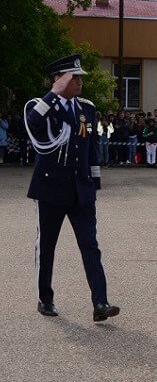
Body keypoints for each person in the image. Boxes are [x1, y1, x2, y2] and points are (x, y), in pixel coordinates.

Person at [24, 54, 119, 322]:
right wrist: (53, 94)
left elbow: (90, 150)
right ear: (58, 79)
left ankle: (100, 302)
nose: (80, 81)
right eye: (73, 77)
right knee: (47, 247)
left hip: (81, 190)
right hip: (51, 189)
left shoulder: (86, 108)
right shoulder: (40, 105)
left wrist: (94, 183)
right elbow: (31, 124)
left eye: (80, 77)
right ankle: (46, 299)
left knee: (90, 246)